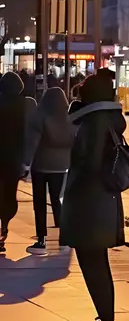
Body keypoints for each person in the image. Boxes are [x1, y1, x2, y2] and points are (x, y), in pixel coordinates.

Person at [59, 72, 126, 321]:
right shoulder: (105, 119)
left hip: (89, 203)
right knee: (97, 261)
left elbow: (86, 161)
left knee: (93, 262)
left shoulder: (93, 123)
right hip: (101, 201)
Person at [23, 87, 74, 254]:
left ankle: (41, 240)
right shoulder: (69, 118)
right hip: (61, 166)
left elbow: (32, 142)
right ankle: (64, 239)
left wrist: (26, 164)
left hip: (41, 165)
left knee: (39, 202)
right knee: (57, 201)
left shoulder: (39, 116)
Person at [0, 72, 37, 253]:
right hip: (14, 159)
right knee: (9, 194)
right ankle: (4, 226)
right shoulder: (26, 105)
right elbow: (30, 133)